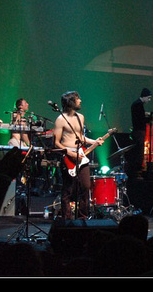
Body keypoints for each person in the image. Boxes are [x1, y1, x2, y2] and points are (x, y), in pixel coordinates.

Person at [53, 91, 104, 219]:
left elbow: (81, 137)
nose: (80, 101)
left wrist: (94, 141)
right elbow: (56, 143)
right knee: (68, 190)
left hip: (81, 155)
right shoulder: (60, 120)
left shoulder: (80, 117)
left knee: (86, 186)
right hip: (68, 156)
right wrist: (69, 152)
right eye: (77, 99)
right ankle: (67, 218)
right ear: (71, 102)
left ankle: (83, 217)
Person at [130, 88, 152, 179]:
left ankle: (137, 171)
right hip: (139, 130)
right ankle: (138, 172)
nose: (149, 100)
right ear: (145, 96)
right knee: (139, 151)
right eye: (149, 98)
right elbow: (140, 119)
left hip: (137, 130)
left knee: (138, 150)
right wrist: (150, 118)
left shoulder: (136, 104)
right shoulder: (138, 105)